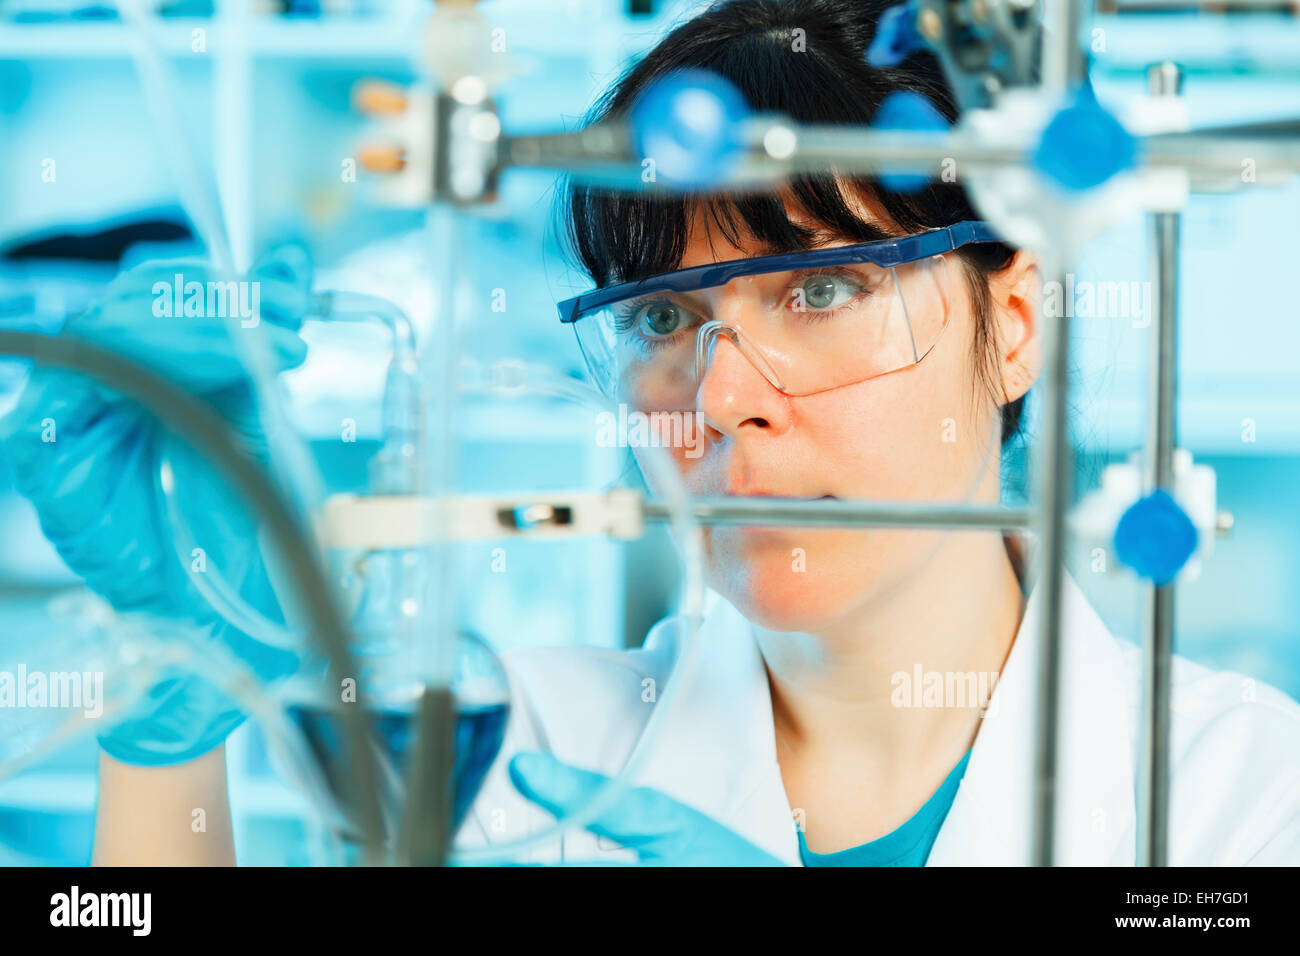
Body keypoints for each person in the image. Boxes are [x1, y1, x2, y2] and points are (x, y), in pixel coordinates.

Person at [4, 0, 1297, 866]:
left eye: (823, 289)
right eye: (665, 313)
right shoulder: (523, 764)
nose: (723, 396)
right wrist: (164, 713)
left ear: (1015, 323)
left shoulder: (1239, 799)